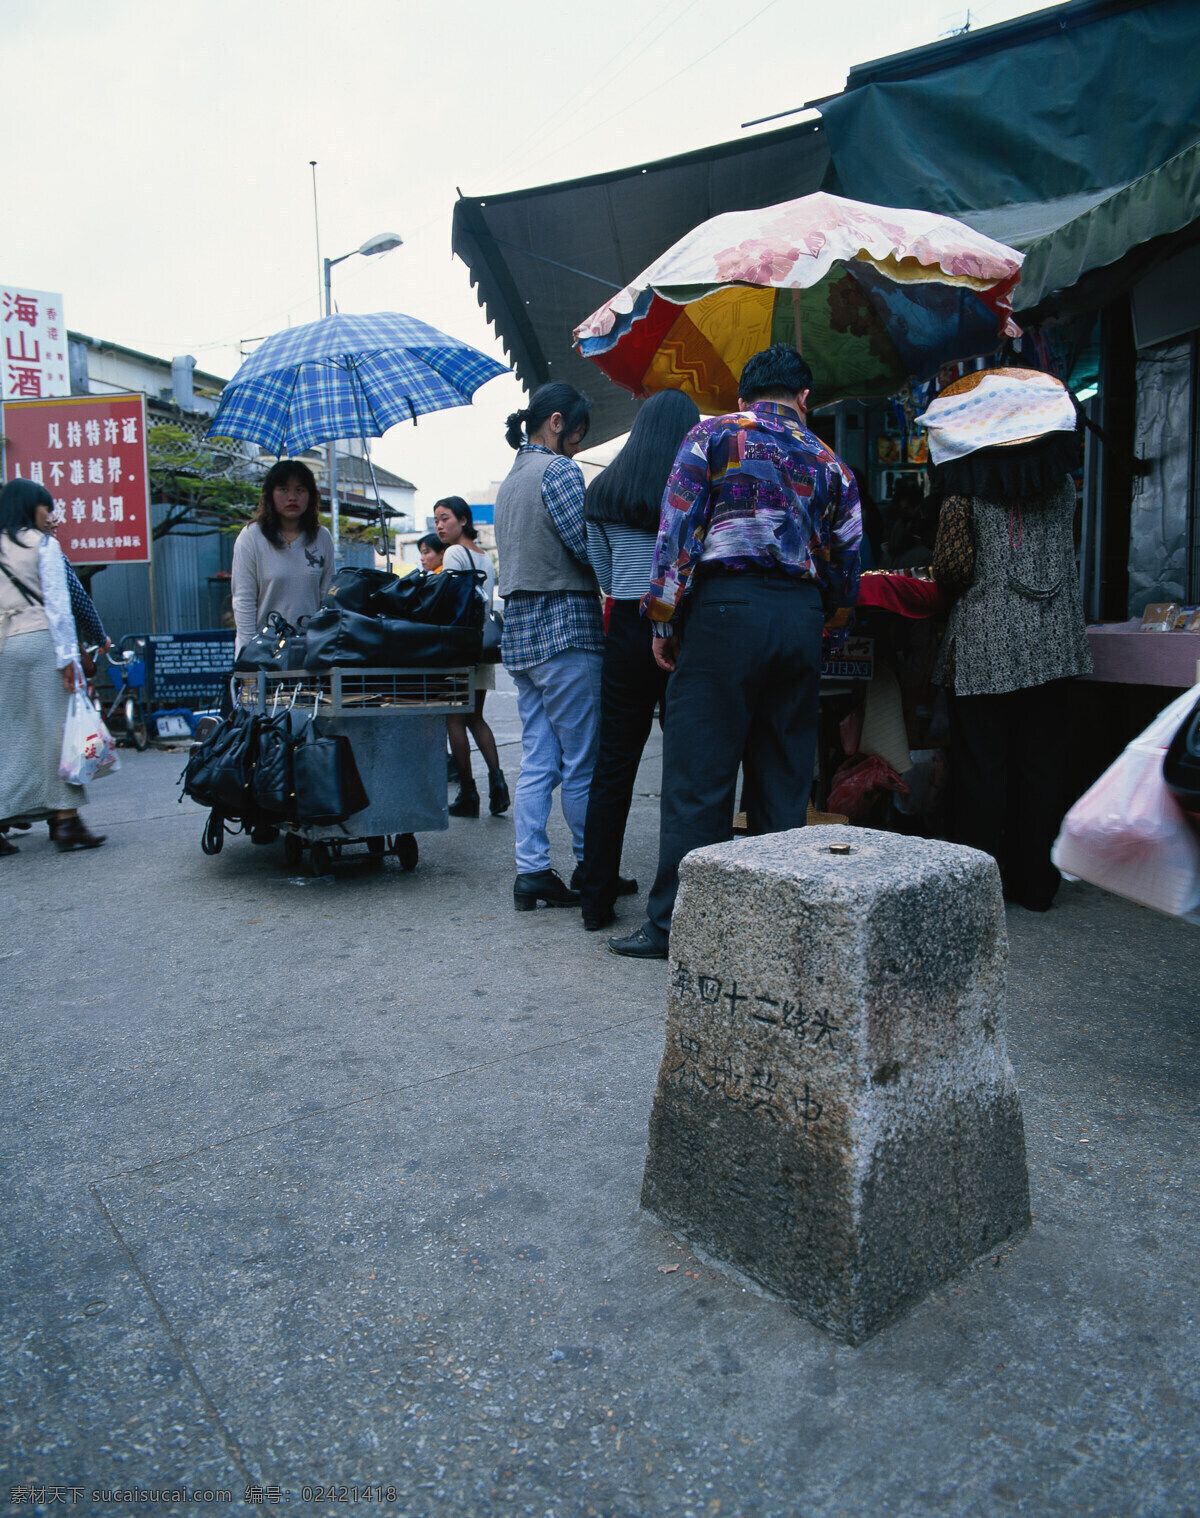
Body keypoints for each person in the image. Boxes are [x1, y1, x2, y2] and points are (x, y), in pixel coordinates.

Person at [609, 345, 861, 959]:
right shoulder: (832, 463)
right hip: (799, 618)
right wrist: (827, 626)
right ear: (805, 400)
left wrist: (663, 619)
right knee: (782, 779)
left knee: (701, 778)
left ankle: (680, 930)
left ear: (745, 397)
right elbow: (848, 560)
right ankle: (778, 935)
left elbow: (677, 531)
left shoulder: (711, 437)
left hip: (723, 612)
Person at [923, 367, 1092, 911]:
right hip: (1054, 644)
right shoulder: (1063, 485)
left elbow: (951, 568)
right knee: (1042, 765)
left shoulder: (964, 493)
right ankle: (1037, 885)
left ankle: (981, 891)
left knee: (982, 769)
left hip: (986, 649)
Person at [576, 389, 701, 931]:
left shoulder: (603, 490)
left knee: (614, 766)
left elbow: (601, 576)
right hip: (686, 630)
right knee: (688, 768)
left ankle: (596, 898)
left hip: (626, 628)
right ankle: (679, 900)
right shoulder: (697, 486)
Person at [494, 382, 604, 910]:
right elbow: (584, 546)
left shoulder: (510, 481)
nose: (578, 448)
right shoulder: (558, 471)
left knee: (539, 759)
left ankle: (531, 870)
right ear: (557, 422)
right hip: (565, 629)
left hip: (520, 634)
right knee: (583, 759)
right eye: (578, 435)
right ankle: (590, 867)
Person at [0, 479, 106, 853]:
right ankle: (66, 822)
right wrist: (69, 660)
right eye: (47, 507)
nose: (52, 515)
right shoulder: (43, 545)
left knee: (10, 737)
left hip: (4, 646)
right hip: (41, 641)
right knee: (58, 735)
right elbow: (59, 607)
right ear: (31, 507)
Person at [432, 495, 509, 818]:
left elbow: (450, 603)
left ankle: (468, 792)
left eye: (445, 518)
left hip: (457, 648)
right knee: (476, 717)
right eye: (436, 519)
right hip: (482, 645)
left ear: (464, 520)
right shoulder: (484, 557)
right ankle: (498, 783)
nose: (439, 525)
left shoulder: (452, 554)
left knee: (454, 719)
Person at [231, 460, 334, 654]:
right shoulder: (251, 537)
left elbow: (327, 602)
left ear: (311, 495)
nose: (292, 497)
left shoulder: (322, 538)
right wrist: (247, 655)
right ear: (270, 494)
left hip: (309, 652)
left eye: (300, 490)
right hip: (264, 653)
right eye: (283, 489)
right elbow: (243, 601)